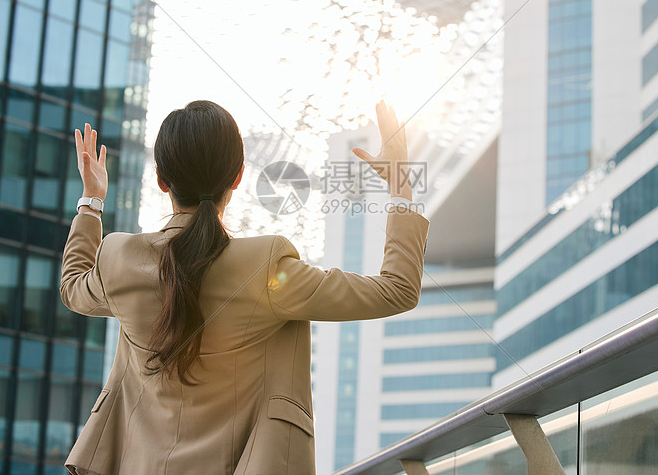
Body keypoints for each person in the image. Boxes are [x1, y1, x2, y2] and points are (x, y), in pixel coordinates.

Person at [60, 99, 429, 474]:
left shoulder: (121, 259)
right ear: (237, 177)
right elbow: (397, 289)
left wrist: (92, 201)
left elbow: (73, 287)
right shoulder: (265, 268)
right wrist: (400, 185)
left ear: (160, 180)